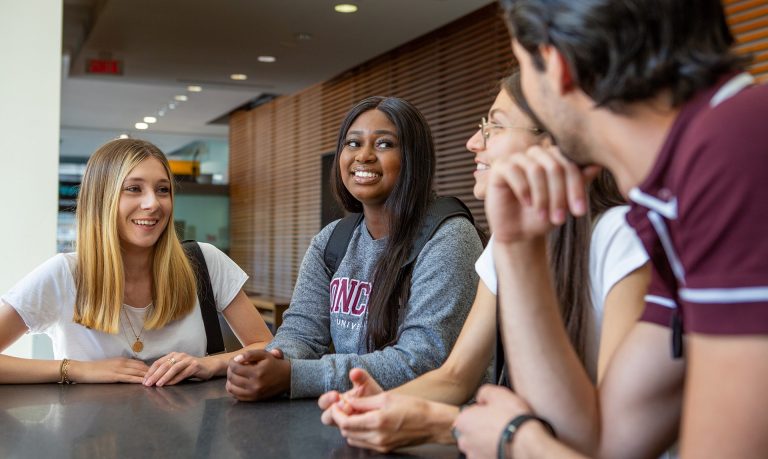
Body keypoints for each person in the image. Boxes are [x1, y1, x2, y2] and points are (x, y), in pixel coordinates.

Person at [454, 1, 768, 458]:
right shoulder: (669, 198)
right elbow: (606, 440)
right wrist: (519, 246)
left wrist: (517, 443)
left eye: (524, 66)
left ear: (557, 67)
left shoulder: (734, 147)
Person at [316, 72, 649, 452]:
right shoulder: (508, 243)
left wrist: (449, 424)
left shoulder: (622, 238)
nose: (474, 142)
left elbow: (612, 440)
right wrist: (378, 406)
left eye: (495, 127)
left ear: (556, 139)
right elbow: (456, 376)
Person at [225, 96, 484, 401]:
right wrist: (271, 361)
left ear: (415, 159)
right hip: (353, 416)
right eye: (352, 143)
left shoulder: (449, 237)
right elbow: (301, 332)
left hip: (437, 429)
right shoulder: (332, 240)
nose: (364, 156)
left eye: (384, 144)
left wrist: (295, 376)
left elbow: (424, 360)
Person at [0, 139, 273, 386]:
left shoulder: (205, 262)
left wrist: (210, 364)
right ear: (102, 199)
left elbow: (268, 346)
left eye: (162, 190)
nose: (153, 203)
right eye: (133, 189)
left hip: (188, 437)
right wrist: (77, 370)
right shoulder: (65, 274)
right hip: (88, 438)